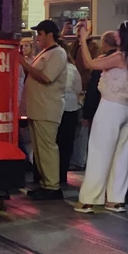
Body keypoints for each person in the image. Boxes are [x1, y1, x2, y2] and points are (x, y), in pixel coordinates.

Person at [73, 20, 128, 213]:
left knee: (99, 152)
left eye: (119, 32)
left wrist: (82, 39)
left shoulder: (120, 57)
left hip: (111, 107)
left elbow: (90, 64)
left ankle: (90, 199)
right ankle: (115, 199)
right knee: (122, 155)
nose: (116, 35)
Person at [20, 19, 67, 199]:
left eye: (40, 34)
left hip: (48, 108)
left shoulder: (58, 53)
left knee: (47, 147)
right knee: (39, 149)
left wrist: (23, 63)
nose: (37, 38)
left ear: (49, 35)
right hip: (38, 108)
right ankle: (45, 183)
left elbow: (47, 77)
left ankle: (53, 186)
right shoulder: (45, 53)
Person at [57, 51, 83, 188]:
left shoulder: (53, 67)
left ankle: (48, 175)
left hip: (55, 108)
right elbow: (78, 88)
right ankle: (62, 175)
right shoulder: (72, 69)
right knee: (66, 144)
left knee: (53, 143)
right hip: (71, 108)